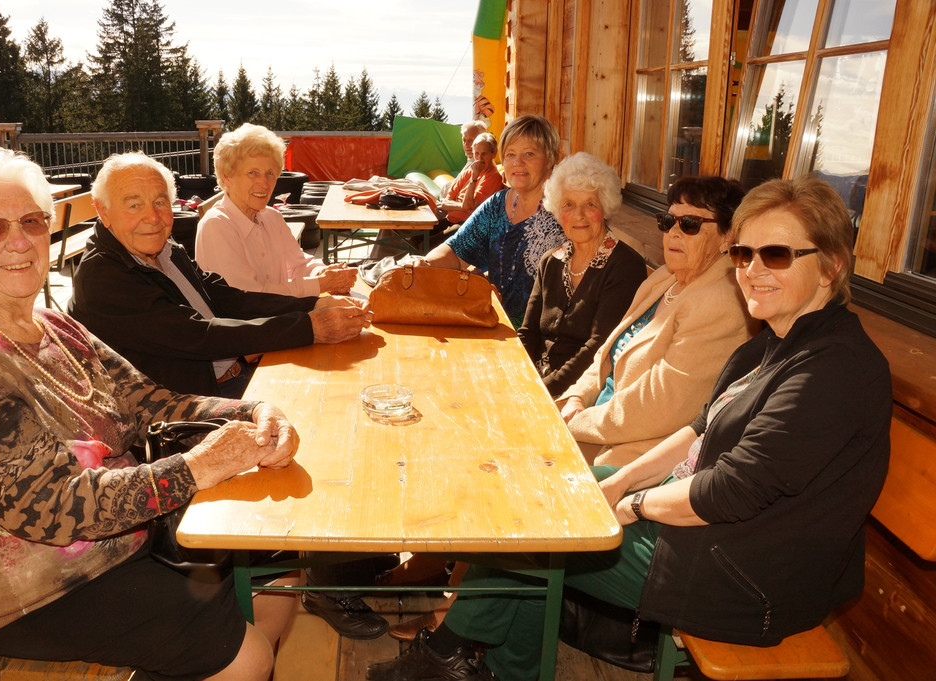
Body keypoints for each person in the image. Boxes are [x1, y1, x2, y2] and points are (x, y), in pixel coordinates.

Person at [366, 178, 892, 681]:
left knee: (532, 536)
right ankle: (479, 662)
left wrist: (634, 505)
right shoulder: (774, 341)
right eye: (743, 254)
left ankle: (450, 655)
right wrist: (619, 483)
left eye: (776, 254)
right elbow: (697, 429)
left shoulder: (834, 369)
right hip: (703, 526)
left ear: (829, 267)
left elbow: (732, 491)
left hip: (743, 572)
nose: (753, 270)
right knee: (533, 512)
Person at [0, 148, 303, 681]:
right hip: (25, 587)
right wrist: (196, 469)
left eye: (32, 221)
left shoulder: (54, 326)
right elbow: (46, 509)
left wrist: (256, 410)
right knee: (241, 649)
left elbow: (149, 402)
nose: (20, 241)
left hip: (118, 538)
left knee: (277, 564)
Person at [68, 152, 369, 399]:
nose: (152, 217)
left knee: (344, 385)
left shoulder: (164, 246)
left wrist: (312, 305)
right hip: (186, 410)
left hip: (227, 379)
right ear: (102, 210)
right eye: (134, 205)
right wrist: (308, 327)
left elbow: (223, 295)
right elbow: (197, 335)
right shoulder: (103, 277)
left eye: (160, 202)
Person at [558, 176, 756, 465]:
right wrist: (577, 396)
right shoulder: (665, 277)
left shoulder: (723, 303)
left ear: (727, 236)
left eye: (690, 224)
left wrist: (575, 423)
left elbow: (658, 406)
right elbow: (608, 354)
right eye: (668, 221)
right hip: (596, 419)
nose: (673, 233)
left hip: (631, 451)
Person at [518, 152, 646, 398]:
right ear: (557, 209)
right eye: (568, 204)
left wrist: (543, 390)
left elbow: (598, 349)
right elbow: (529, 332)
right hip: (536, 381)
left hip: (578, 392)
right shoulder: (551, 261)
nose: (579, 215)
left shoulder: (625, 266)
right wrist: (517, 374)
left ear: (605, 208)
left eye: (590, 204)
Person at [423, 114, 566, 328]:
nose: (518, 163)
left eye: (529, 154)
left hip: (543, 335)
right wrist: (423, 264)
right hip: (493, 320)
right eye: (510, 154)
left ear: (550, 159)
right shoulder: (498, 204)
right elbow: (455, 250)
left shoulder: (567, 213)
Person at [195, 123, 356, 296]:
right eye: (253, 173)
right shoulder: (216, 226)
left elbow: (298, 265)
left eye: (270, 173)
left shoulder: (272, 217)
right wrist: (320, 284)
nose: (264, 183)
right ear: (227, 177)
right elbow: (252, 297)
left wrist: (324, 273)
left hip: (281, 315)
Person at [436, 132, 504, 228]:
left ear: (494, 153)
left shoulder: (493, 177)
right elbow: (445, 203)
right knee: (417, 235)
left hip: (466, 226)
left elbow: (469, 204)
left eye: (484, 154)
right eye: (477, 153)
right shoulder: (470, 171)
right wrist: (463, 207)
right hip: (450, 220)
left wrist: (474, 177)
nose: (480, 158)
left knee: (423, 242)